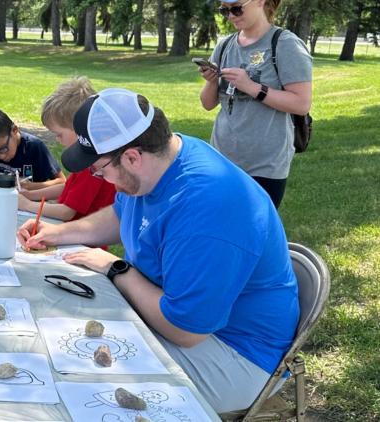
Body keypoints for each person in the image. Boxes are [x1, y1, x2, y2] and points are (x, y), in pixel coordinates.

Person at [18, 88, 299, 413]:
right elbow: (121, 213)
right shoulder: (162, 161)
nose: (102, 180)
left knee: (76, 377)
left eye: (100, 170)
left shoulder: (208, 207)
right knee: (61, 334)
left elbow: (186, 330)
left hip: (238, 354)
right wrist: (57, 233)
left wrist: (118, 270)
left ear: (132, 157)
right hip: (194, 325)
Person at [199, 0, 312, 208]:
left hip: (265, 165)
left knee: (254, 234)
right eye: (224, 10)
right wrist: (212, 81)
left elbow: (301, 103)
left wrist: (251, 86)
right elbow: (208, 104)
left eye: (236, 8)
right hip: (222, 158)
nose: (230, 16)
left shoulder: (285, 44)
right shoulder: (224, 45)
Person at [18, 77, 115, 221]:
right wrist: (31, 195)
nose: (57, 139)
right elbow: (68, 188)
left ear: (79, 129)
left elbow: (66, 212)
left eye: (59, 134)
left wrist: (27, 205)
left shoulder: (93, 165)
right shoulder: (84, 158)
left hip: (82, 239)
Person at [0, 107, 66, 195]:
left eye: (3, 149)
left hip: (31, 206)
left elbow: (62, 181)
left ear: (14, 130)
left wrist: (31, 186)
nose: (1, 157)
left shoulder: (34, 147)